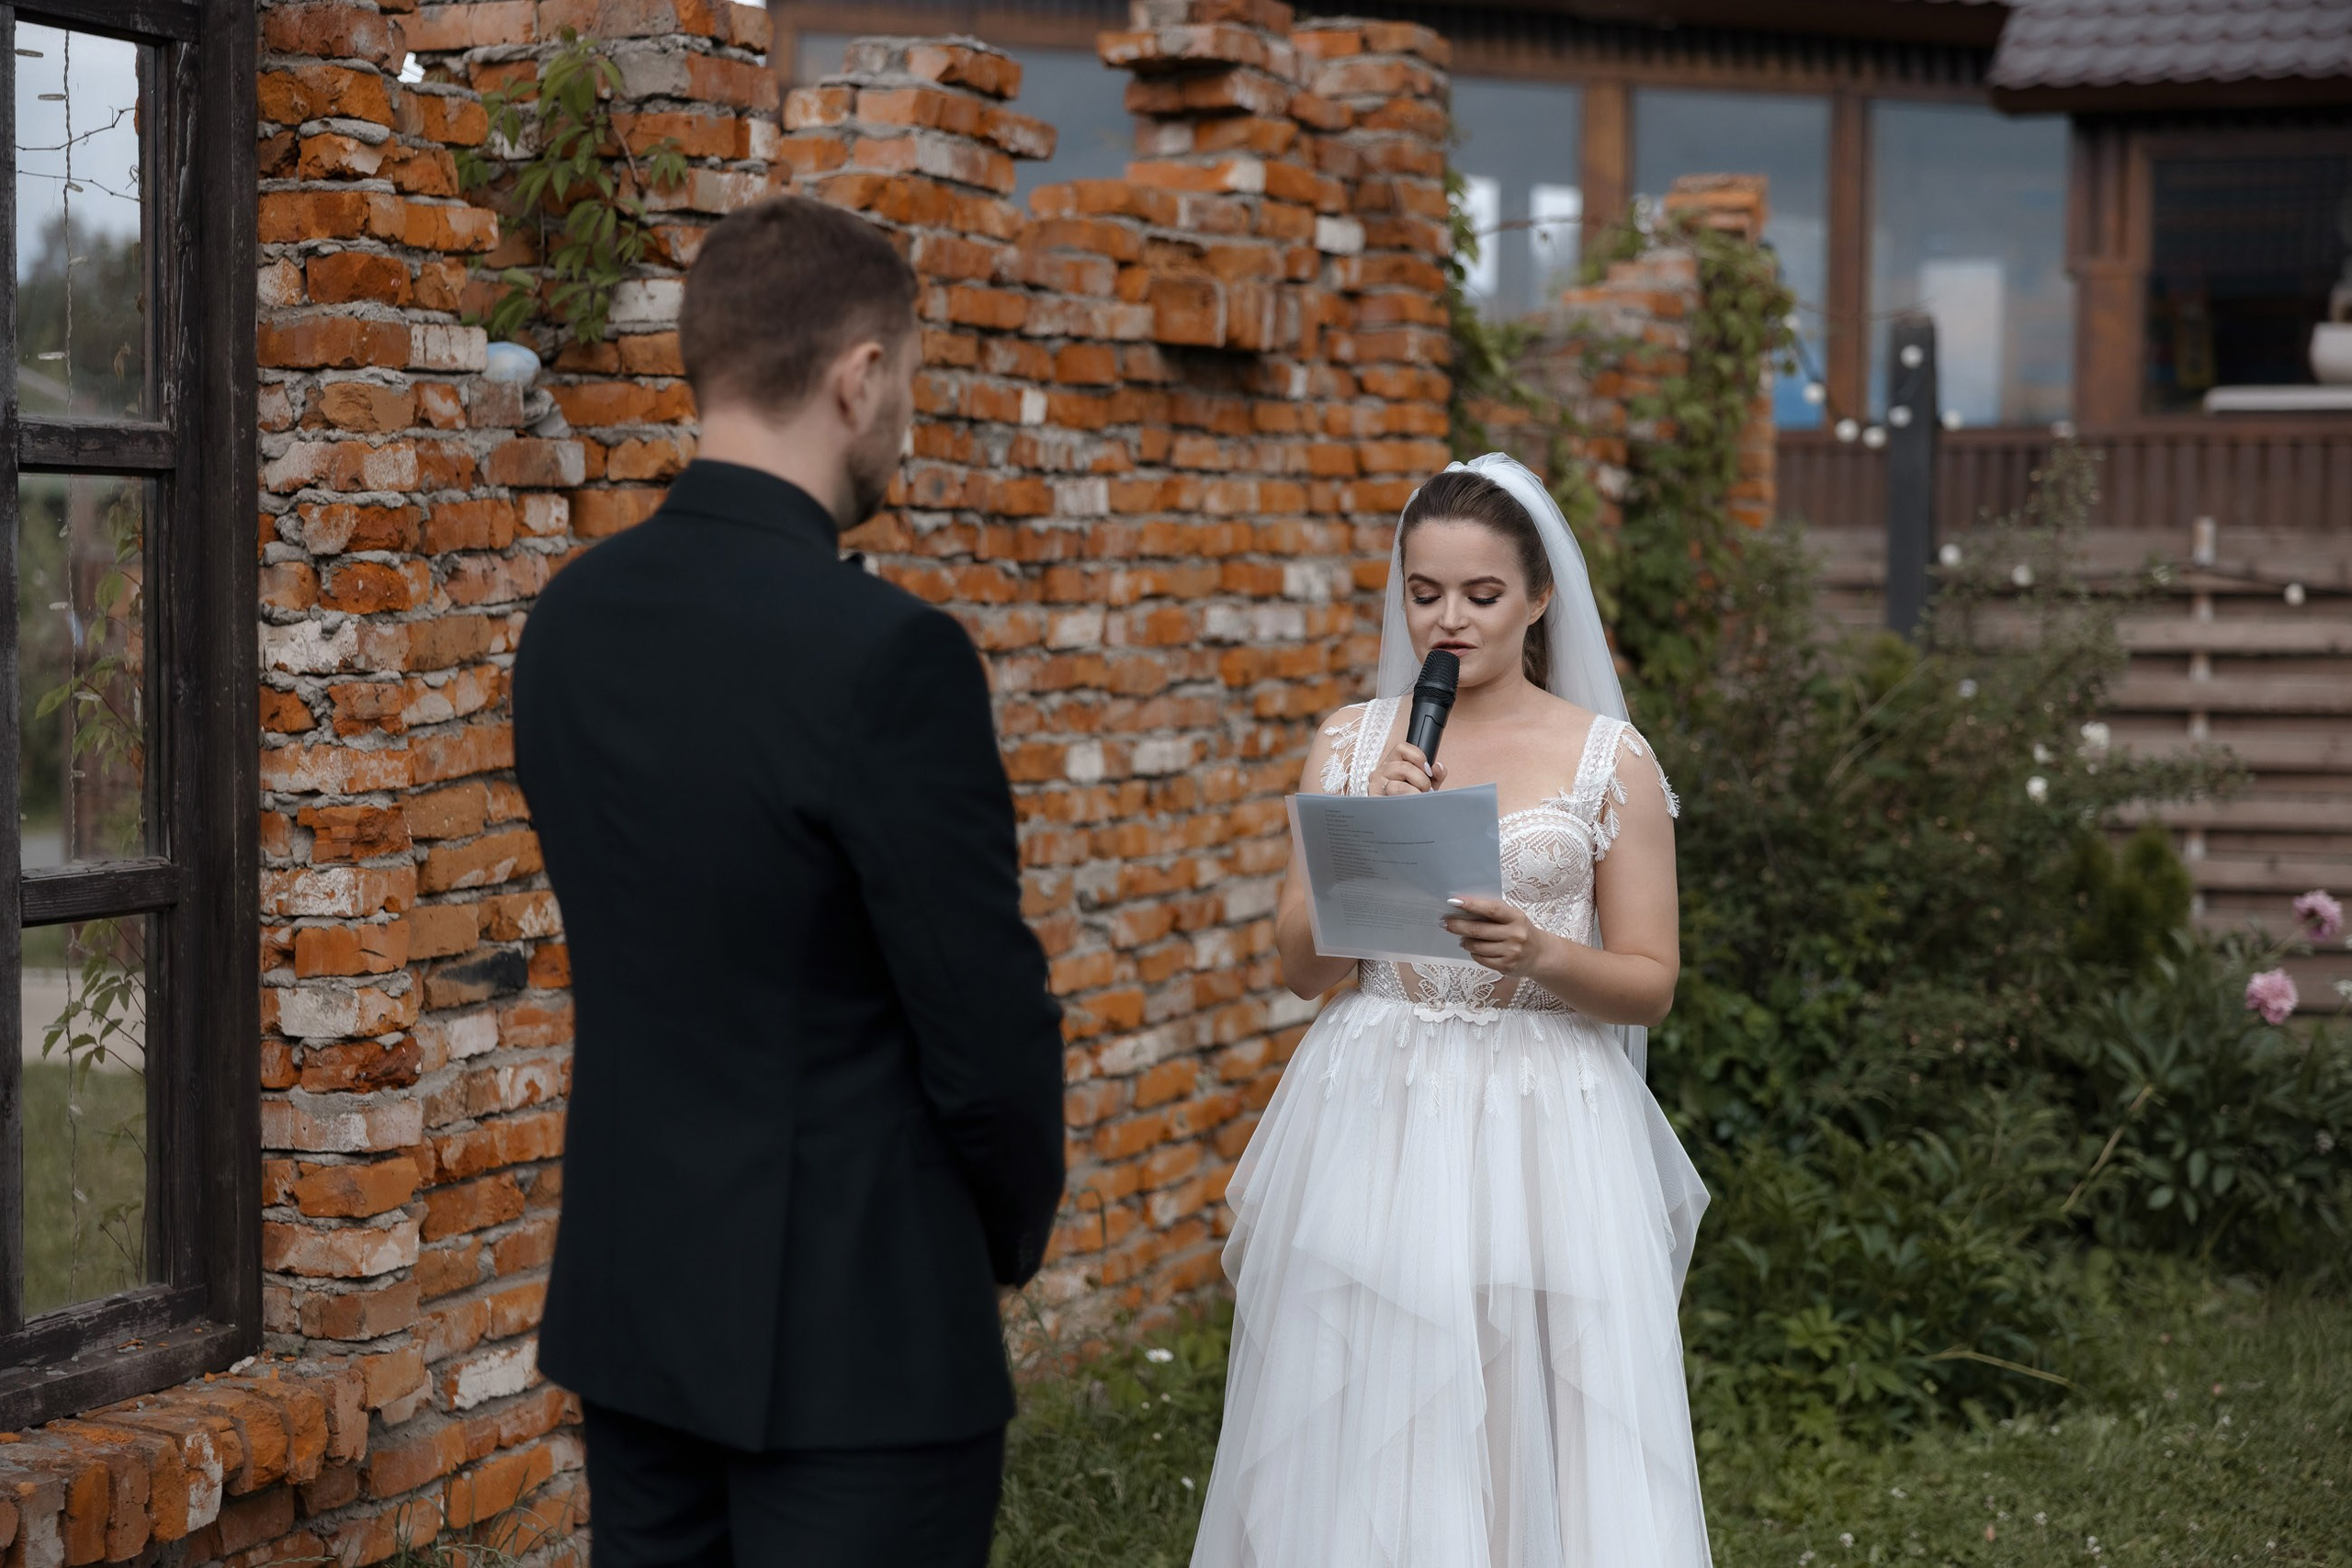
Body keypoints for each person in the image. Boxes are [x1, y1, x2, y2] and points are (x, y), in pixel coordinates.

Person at [512, 194, 1068, 1568]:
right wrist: (992, 1238)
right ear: (858, 375)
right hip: (863, 1335)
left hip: (640, 1307)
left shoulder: (567, 622)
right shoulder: (890, 654)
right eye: (911, 384)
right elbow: (982, 1022)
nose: (908, 426)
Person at [1189, 454, 1713, 1568]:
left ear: (1538, 599)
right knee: (1369, 1399)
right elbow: (1298, 967)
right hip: (1375, 1106)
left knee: (1528, 1394)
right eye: (1424, 592)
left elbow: (1652, 980)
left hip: (1542, 1114)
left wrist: (1539, 952)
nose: (1448, 620)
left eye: (1480, 595)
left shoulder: (1604, 759)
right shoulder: (1353, 741)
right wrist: (1368, 852)